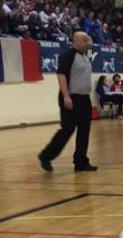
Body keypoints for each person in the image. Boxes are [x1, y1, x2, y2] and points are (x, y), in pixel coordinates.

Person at [39, 32, 97, 172]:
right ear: (76, 41)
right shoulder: (67, 56)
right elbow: (61, 75)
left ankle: (80, 162)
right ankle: (46, 156)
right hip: (71, 98)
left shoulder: (85, 57)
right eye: (85, 40)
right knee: (67, 130)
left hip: (84, 99)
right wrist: (66, 96)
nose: (87, 43)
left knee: (84, 130)